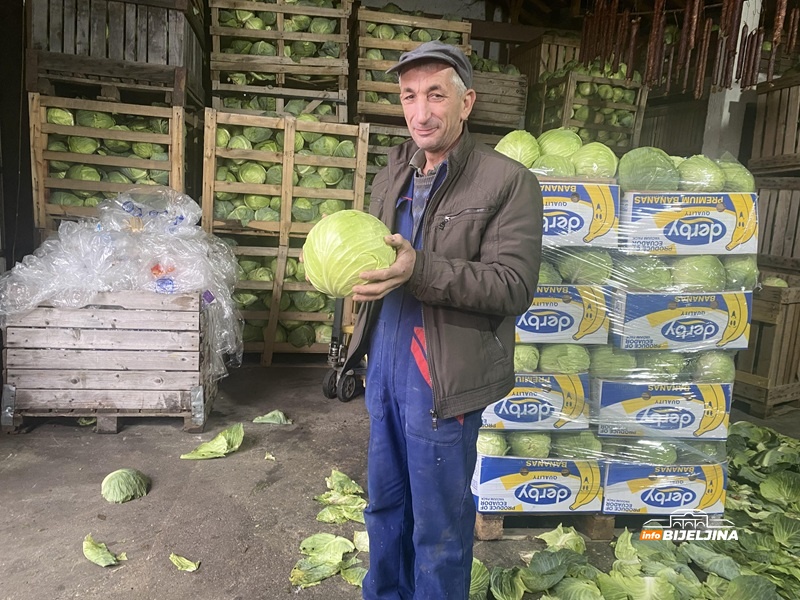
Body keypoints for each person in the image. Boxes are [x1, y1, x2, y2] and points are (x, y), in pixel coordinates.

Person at [342, 41, 543, 600]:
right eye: (409, 96)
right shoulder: (393, 175)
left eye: (436, 95)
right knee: (383, 503)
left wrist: (419, 268)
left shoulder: (507, 181)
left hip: (443, 372)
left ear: (466, 102)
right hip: (385, 364)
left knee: (439, 524)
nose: (421, 112)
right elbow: (374, 256)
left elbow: (513, 285)